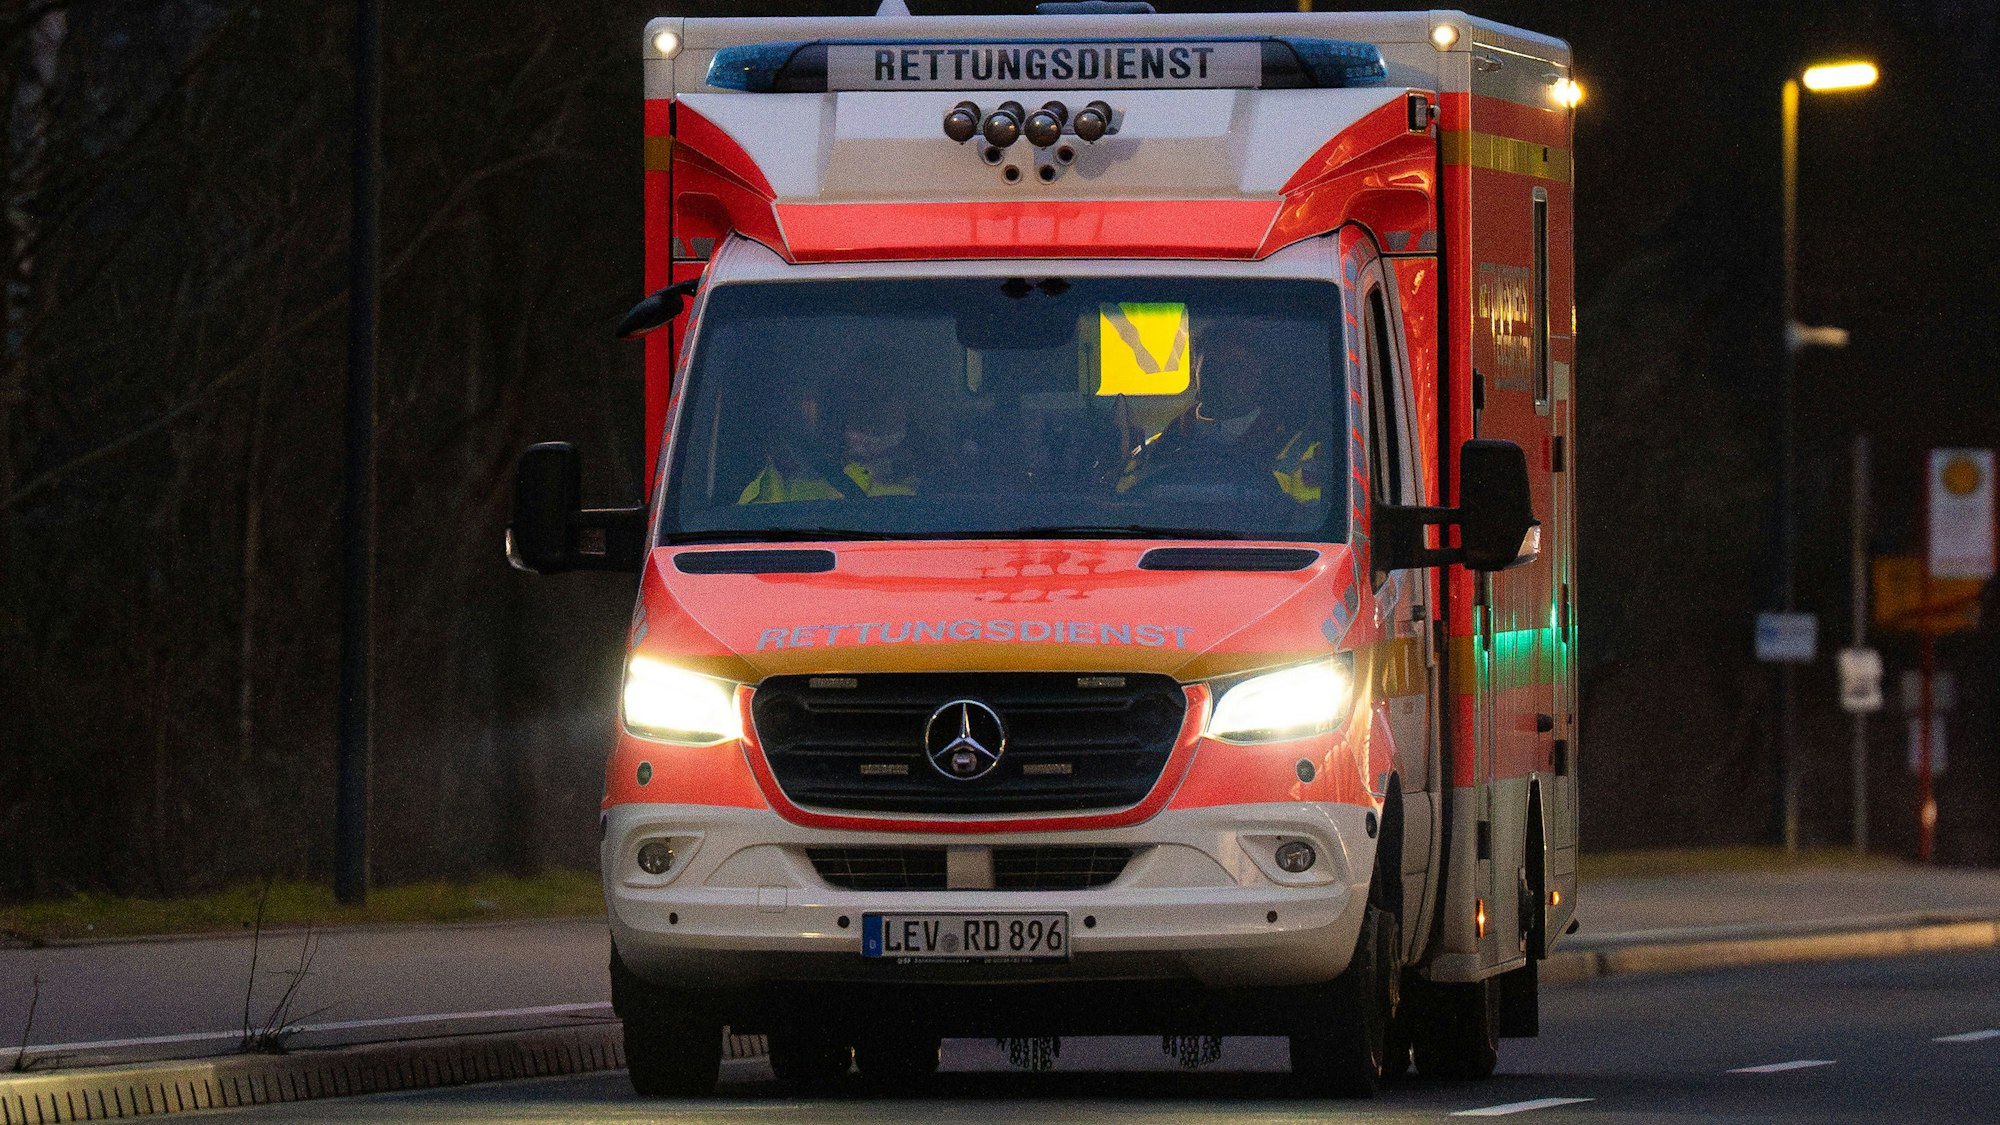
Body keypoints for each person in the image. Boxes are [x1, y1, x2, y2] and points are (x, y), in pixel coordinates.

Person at [1116, 325, 1325, 503]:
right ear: (1194, 371)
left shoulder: (1301, 453)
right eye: (1213, 366)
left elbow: (1309, 523)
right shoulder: (1157, 447)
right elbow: (1121, 506)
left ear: (1260, 374)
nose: (1224, 377)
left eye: (1237, 367)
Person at [738, 387, 916, 503]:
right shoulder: (781, 481)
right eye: (862, 397)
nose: (870, 407)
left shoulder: (918, 496)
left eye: (883, 397)